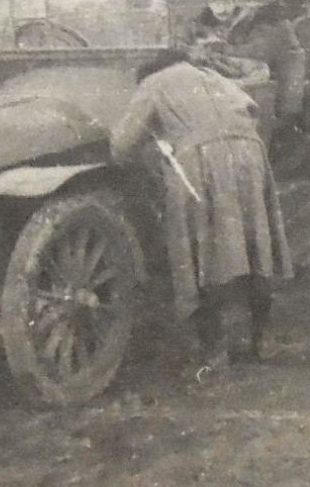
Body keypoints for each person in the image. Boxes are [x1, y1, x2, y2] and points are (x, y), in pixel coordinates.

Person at [109, 49, 292, 370]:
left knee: (200, 250)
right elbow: (252, 109)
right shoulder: (210, 75)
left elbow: (120, 148)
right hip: (249, 153)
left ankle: (214, 350)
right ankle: (263, 338)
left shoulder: (152, 83)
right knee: (255, 245)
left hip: (202, 160)